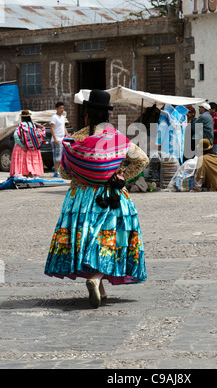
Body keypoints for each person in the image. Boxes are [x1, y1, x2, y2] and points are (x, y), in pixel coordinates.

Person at [44, 89, 149, 309]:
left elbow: (64, 172)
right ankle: (97, 280)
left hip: (81, 198)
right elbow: (142, 160)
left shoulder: (76, 138)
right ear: (107, 116)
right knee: (110, 239)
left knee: (86, 238)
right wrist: (121, 175)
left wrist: (83, 174)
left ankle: (98, 285)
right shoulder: (117, 138)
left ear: (87, 116)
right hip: (111, 196)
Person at [10, 110, 45, 178]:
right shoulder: (33, 125)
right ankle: (30, 175)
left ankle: (23, 176)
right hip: (32, 148)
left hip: (22, 148)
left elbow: (16, 136)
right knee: (30, 162)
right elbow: (39, 133)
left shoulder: (21, 125)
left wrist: (22, 146)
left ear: (22, 118)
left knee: (23, 162)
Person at [51, 101, 69, 177]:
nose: (62, 109)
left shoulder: (62, 118)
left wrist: (67, 135)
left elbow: (64, 127)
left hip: (62, 139)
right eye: (60, 108)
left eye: (63, 108)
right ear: (56, 109)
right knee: (57, 156)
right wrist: (55, 138)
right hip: (57, 139)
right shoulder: (54, 117)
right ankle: (56, 171)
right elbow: (52, 128)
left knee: (62, 156)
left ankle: (57, 169)